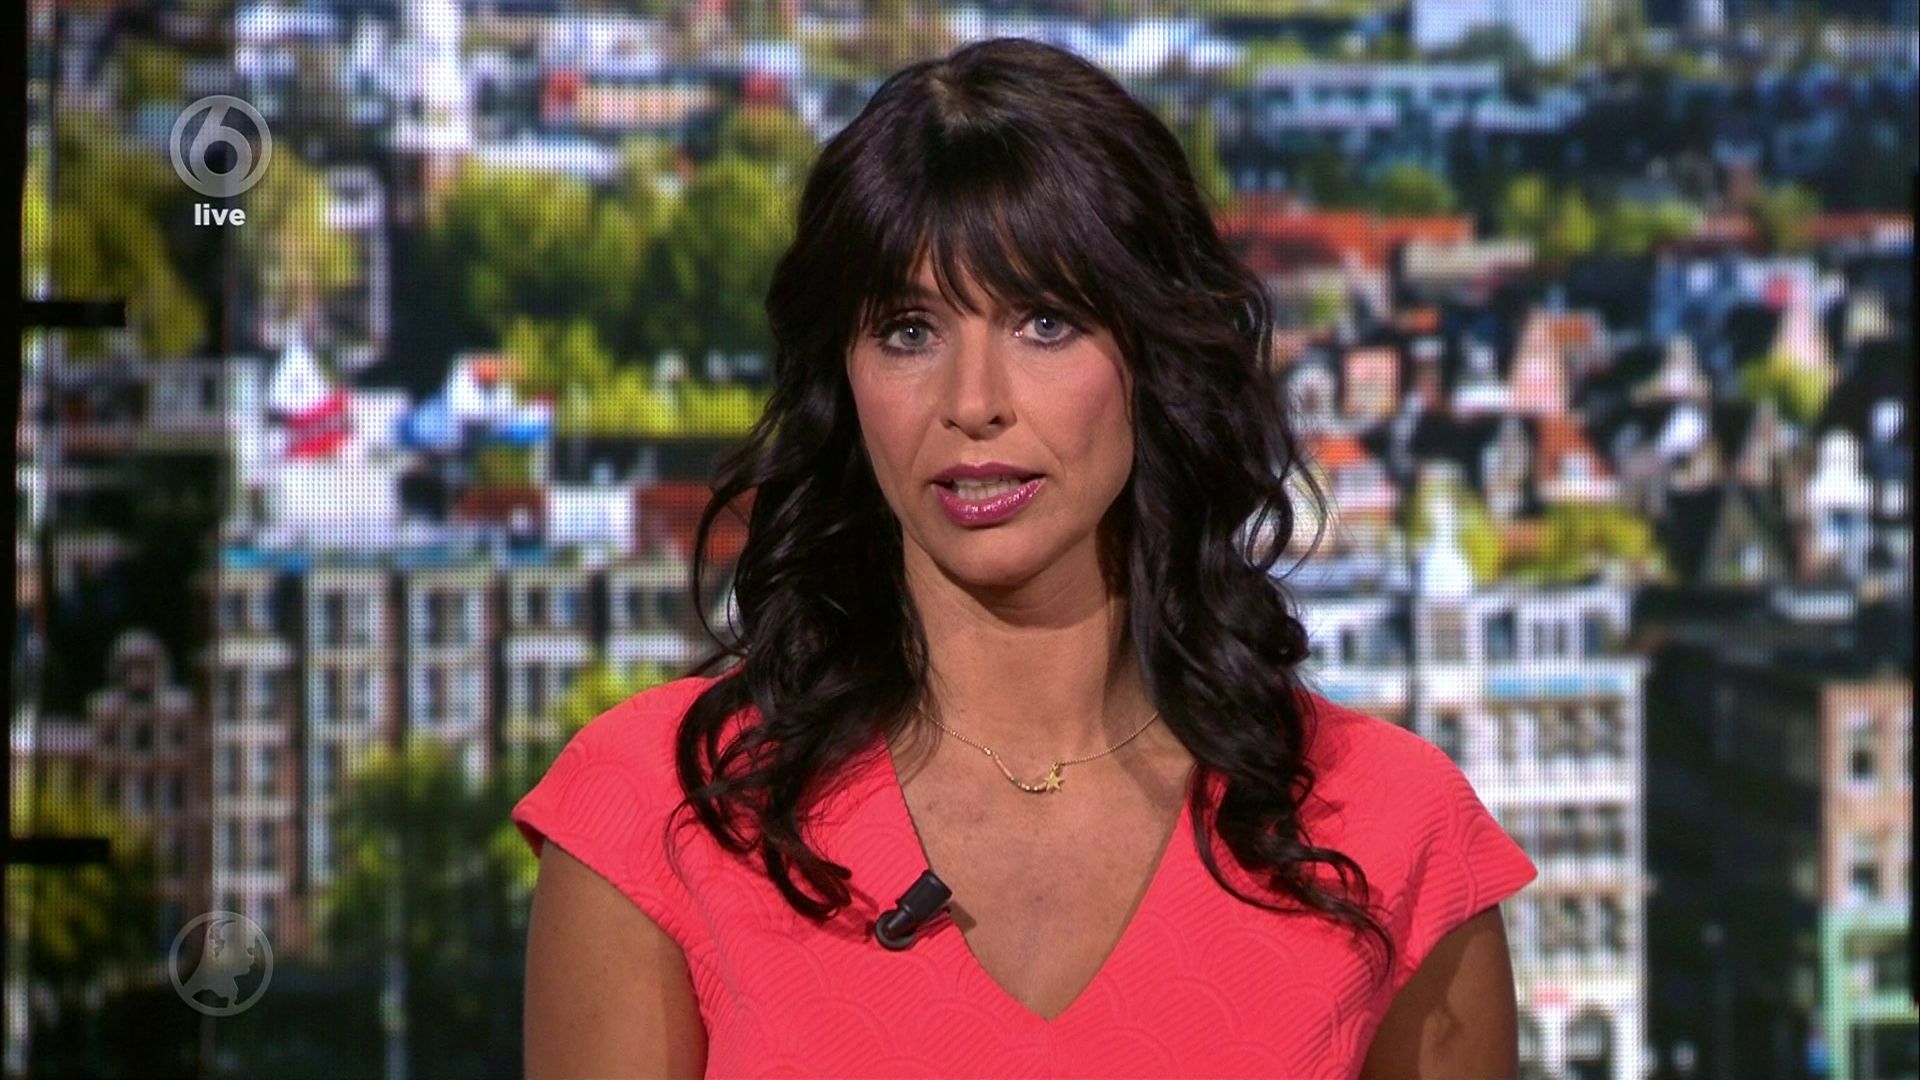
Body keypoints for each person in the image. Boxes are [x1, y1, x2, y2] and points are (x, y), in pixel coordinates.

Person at [514, 36, 1537, 1079]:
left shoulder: (1387, 833)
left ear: (1155, 357)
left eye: (1044, 322)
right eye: (908, 331)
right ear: (843, 378)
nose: (972, 402)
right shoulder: (658, 817)